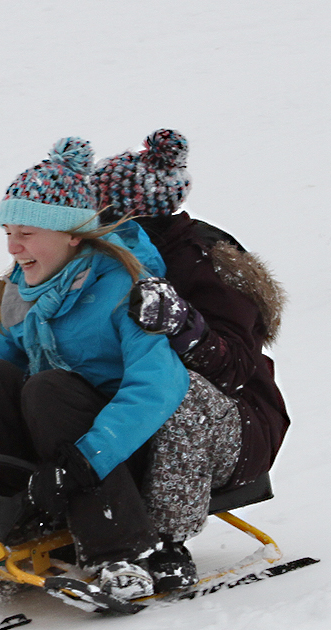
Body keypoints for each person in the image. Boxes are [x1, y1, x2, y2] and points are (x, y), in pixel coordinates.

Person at [0, 137, 190, 601]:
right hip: (52, 454)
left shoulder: (126, 288)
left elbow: (158, 386)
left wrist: (89, 457)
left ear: (72, 235)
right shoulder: (20, 293)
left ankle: (119, 553)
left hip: (119, 454)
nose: (13, 247)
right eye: (8, 232)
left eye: (26, 234)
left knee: (48, 388)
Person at [89, 129, 290, 592]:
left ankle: (165, 540)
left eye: (106, 211)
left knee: (171, 392)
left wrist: (185, 326)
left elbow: (239, 368)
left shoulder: (205, 259)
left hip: (236, 423)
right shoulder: (99, 257)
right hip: (145, 414)